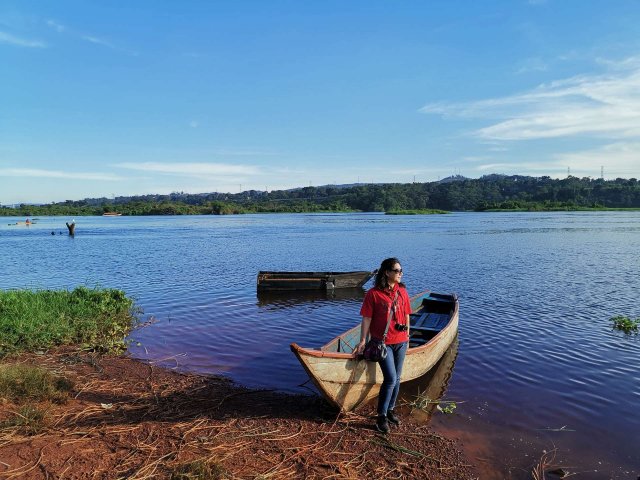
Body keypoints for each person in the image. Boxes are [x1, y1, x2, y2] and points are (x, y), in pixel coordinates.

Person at [356, 257, 411, 433]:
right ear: (387, 272)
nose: (400, 274)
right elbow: (367, 318)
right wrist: (363, 340)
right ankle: (381, 417)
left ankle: (390, 410)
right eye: (397, 271)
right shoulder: (373, 294)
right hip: (383, 343)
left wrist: (407, 333)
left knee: (398, 377)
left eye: (401, 271)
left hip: (401, 341)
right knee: (391, 379)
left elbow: (408, 313)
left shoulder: (402, 291)